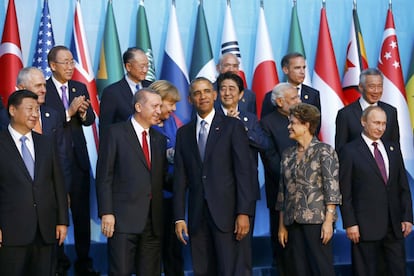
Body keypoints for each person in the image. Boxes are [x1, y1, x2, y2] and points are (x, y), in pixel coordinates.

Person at [174, 77, 256, 276]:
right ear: (190, 99)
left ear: (214, 95)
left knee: (229, 269)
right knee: (202, 269)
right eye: (197, 93)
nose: (202, 96)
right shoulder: (183, 133)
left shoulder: (232, 126)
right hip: (197, 216)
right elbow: (180, 177)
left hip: (227, 215)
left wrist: (243, 212)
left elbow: (244, 172)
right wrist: (178, 217)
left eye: (206, 91)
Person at [96, 88, 167, 275]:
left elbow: (162, 178)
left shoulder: (159, 139)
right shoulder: (115, 133)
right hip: (122, 220)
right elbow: (104, 176)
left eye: (160, 106)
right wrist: (106, 212)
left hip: (153, 222)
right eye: (154, 106)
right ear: (138, 106)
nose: (159, 111)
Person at [0, 90, 68, 275]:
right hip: (11, 233)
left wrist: (62, 221)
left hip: (46, 230)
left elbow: (57, 183)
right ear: (12, 110)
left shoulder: (45, 143)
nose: (34, 114)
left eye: (37, 109)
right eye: (30, 108)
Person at [339, 106, 413, 276]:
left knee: (397, 270)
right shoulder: (349, 151)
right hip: (365, 228)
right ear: (363, 122)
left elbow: (402, 186)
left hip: (394, 227)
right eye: (376, 123)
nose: (381, 128)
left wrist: (407, 216)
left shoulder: (393, 148)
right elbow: (345, 191)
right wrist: (350, 223)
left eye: (384, 124)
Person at [44, 45, 99, 275]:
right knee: (57, 214)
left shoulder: (79, 87)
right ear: (52, 65)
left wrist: (84, 113)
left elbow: (89, 120)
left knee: (81, 215)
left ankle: (84, 262)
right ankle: (58, 262)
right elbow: (46, 126)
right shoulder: (43, 90)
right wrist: (68, 112)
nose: (70, 66)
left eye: (72, 62)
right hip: (54, 163)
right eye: (65, 62)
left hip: (78, 162)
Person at [277, 103, 341, 276]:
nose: (288, 127)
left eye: (292, 123)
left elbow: (332, 188)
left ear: (306, 125)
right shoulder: (287, 154)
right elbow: (282, 193)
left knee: (321, 268)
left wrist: (328, 222)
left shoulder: (324, 151)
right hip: (292, 222)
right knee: (297, 270)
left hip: (317, 222)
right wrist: (282, 225)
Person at [216, 72, 268, 275]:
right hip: (218, 191)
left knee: (243, 246)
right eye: (223, 88)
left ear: (241, 94)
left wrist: (240, 126)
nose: (227, 93)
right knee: (222, 247)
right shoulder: (212, 118)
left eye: (232, 89)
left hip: (245, 190)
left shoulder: (250, 119)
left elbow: (264, 144)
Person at [259, 82, 301, 275]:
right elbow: (270, 158)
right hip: (280, 192)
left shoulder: (302, 119)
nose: (298, 101)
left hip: (306, 194)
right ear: (280, 102)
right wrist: (293, 178)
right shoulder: (267, 123)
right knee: (283, 243)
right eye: (294, 98)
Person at [149, 80, 184, 276]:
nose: (174, 108)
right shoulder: (140, 124)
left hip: (172, 196)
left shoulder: (173, 121)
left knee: (173, 250)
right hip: (150, 199)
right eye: (170, 103)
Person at [335, 68, 399, 152]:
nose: (376, 91)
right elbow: (341, 150)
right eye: (372, 86)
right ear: (361, 87)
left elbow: (395, 148)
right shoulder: (345, 114)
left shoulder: (391, 112)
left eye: (379, 86)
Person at [100, 47, 153, 138]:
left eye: (147, 66)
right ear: (128, 66)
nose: (145, 70)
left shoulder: (152, 88)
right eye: (141, 66)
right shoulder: (112, 92)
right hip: (124, 147)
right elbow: (106, 128)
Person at [261, 52, 321, 121]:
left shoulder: (313, 94)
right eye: (297, 68)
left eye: (304, 67)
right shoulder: (272, 95)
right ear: (285, 70)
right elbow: (266, 123)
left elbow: (316, 122)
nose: (302, 72)